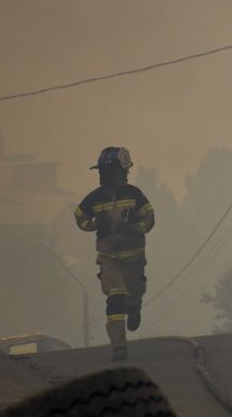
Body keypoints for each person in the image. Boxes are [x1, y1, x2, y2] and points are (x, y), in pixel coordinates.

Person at [74, 147, 154, 361]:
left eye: (110, 171)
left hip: (134, 259)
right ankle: (119, 346)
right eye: (103, 172)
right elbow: (79, 216)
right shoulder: (95, 198)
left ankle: (135, 306)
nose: (105, 176)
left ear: (122, 172)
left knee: (134, 292)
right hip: (109, 260)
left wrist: (136, 228)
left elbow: (149, 217)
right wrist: (93, 225)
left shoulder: (134, 195)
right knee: (115, 298)